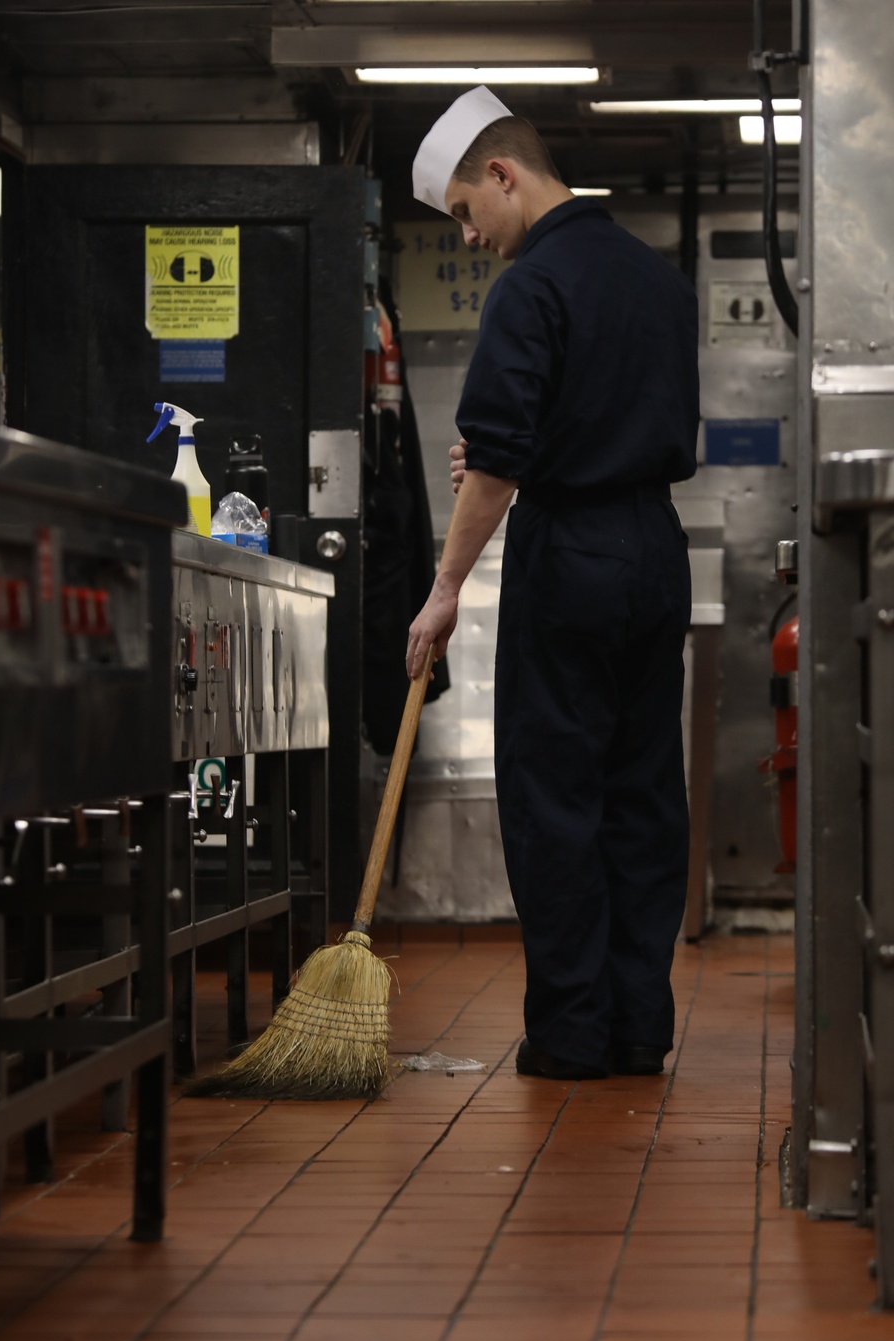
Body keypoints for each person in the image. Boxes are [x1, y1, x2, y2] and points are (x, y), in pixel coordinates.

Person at [406, 87, 699, 1080]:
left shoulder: (531, 287)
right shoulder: (658, 281)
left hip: (569, 555)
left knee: (554, 796)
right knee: (643, 793)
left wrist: (446, 585)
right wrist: (511, 454)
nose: (470, 235)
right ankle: (638, 1025)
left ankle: (573, 1033)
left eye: (461, 211)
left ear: (502, 174)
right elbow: (576, 422)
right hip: (655, 550)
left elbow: (495, 459)